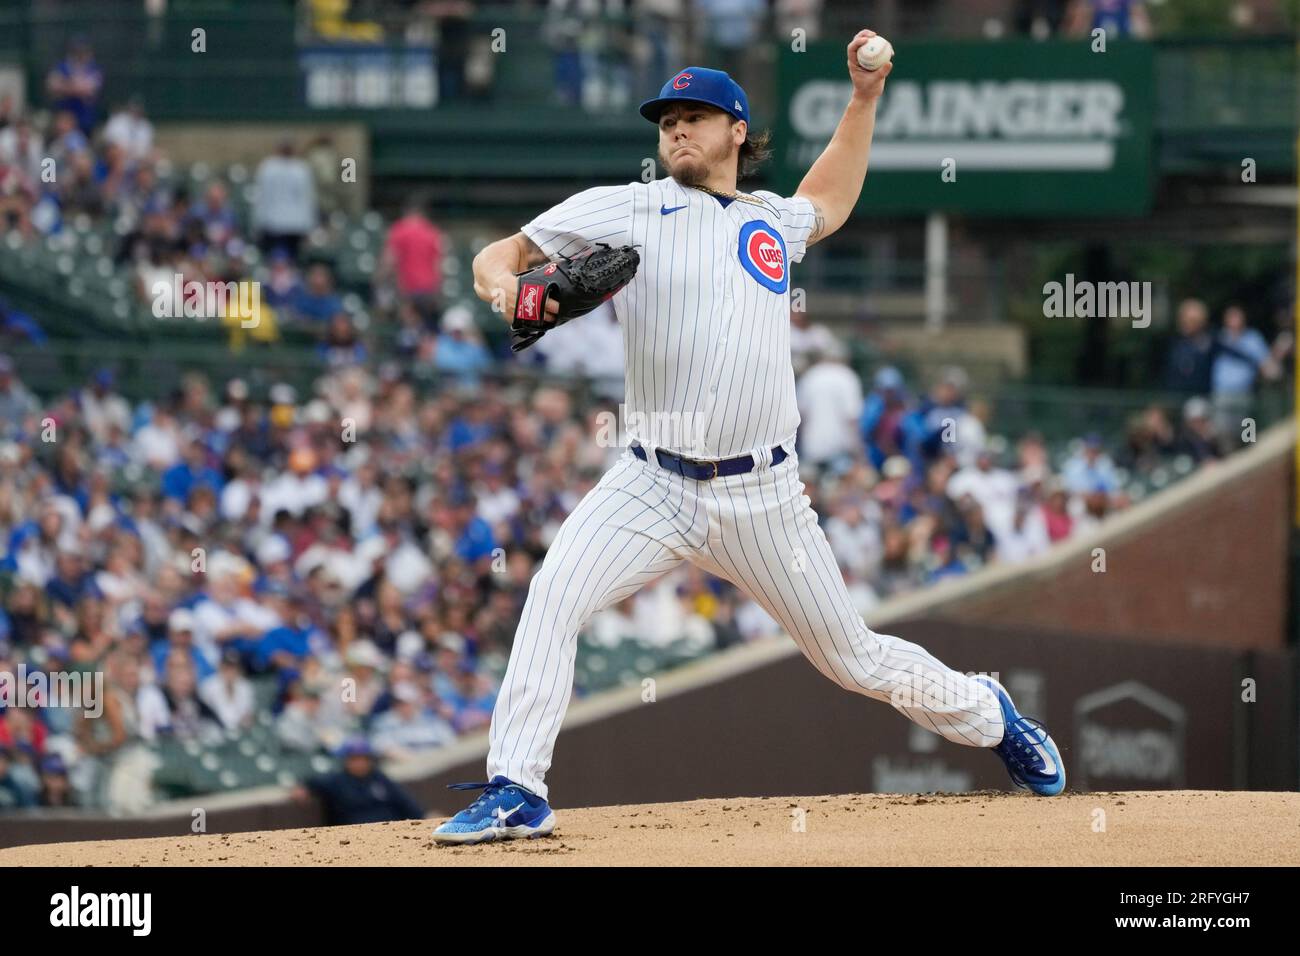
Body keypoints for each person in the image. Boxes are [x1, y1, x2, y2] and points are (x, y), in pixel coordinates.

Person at [440, 36, 1065, 845]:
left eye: (693, 118)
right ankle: (517, 787)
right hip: (651, 483)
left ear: (737, 130)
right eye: (666, 121)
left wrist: (864, 100)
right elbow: (503, 255)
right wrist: (510, 294)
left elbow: (830, 200)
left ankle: (990, 712)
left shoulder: (771, 220)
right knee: (552, 600)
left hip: (763, 494)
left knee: (853, 660)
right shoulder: (630, 207)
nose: (675, 132)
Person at [292, 738, 425, 826]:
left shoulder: (379, 778)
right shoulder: (336, 781)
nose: (359, 763)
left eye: (363, 759)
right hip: (353, 838)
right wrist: (303, 787)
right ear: (346, 760)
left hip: (389, 831)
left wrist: (425, 816)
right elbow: (311, 782)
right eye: (354, 759)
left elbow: (405, 802)